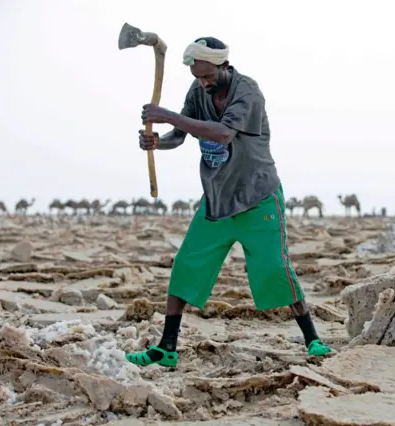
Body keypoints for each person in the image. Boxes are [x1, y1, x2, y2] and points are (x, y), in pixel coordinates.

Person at [124, 37, 331, 368]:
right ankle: (166, 348)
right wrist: (158, 141)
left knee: (275, 268)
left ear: (223, 66)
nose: (203, 83)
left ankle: (313, 339)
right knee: (186, 265)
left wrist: (168, 116)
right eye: (197, 77)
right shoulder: (198, 91)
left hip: (257, 197)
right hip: (217, 199)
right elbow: (181, 135)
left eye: (207, 76)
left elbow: (221, 133)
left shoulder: (247, 93)